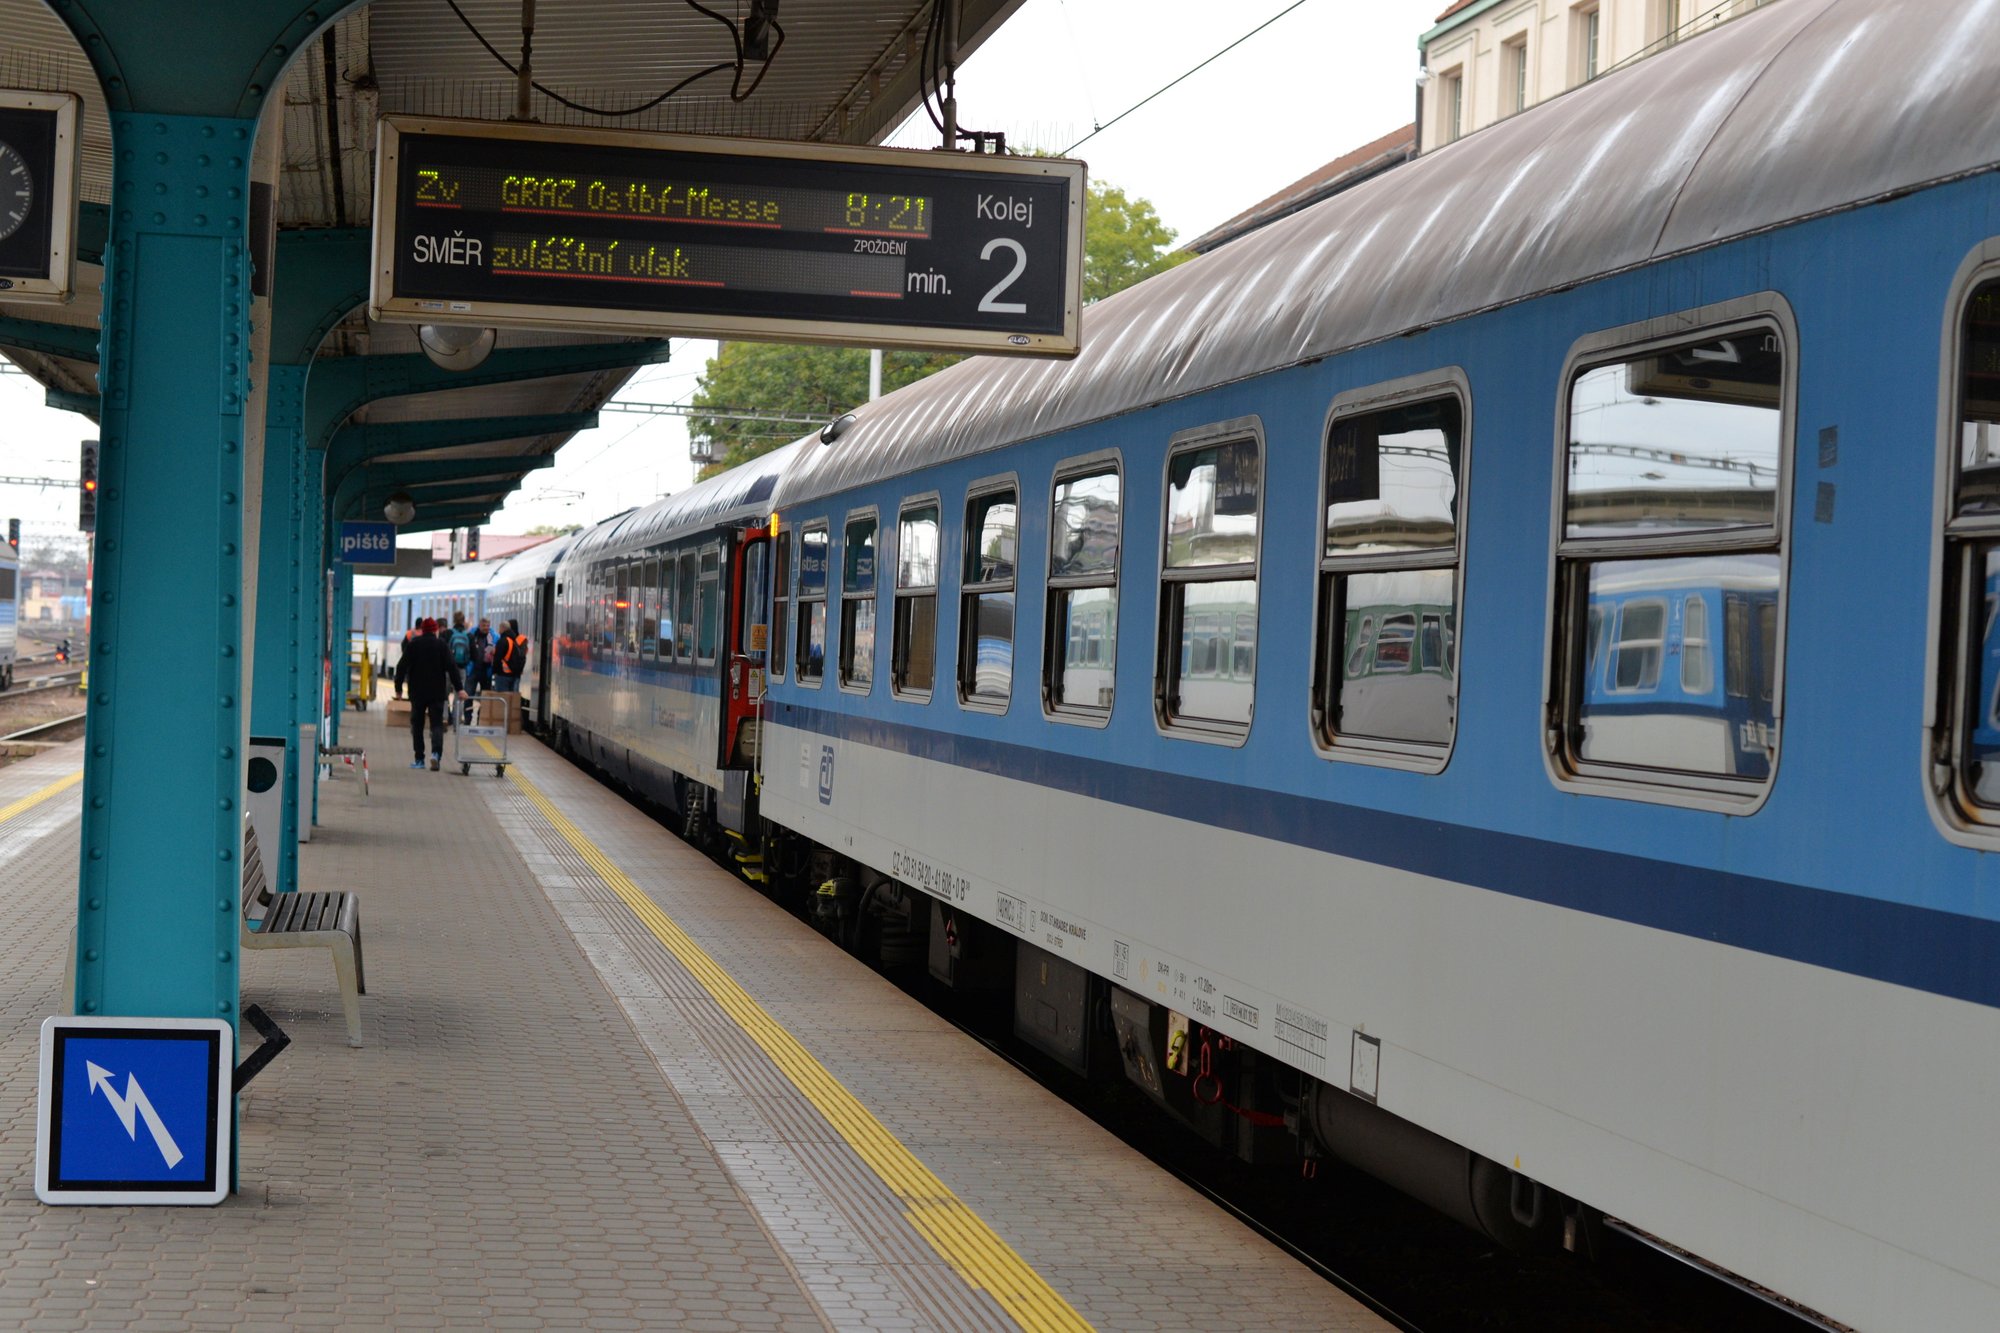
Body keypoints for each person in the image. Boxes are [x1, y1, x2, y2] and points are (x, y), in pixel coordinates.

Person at [392, 617, 465, 770]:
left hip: (417, 692)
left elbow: (401, 667)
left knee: (417, 725)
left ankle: (419, 759)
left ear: (423, 630)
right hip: (437, 692)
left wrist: (398, 689)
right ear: (435, 630)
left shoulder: (414, 644)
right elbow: (452, 668)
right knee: (437, 724)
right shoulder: (441, 645)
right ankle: (436, 754)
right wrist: (460, 689)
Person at [493, 619, 524, 692]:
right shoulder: (514, 640)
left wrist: (495, 671)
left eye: (499, 628)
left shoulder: (503, 641)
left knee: (502, 696)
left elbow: (497, 658)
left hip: (503, 674)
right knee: (511, 697)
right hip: (513, 674)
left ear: (503, 628)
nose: (499, 631)